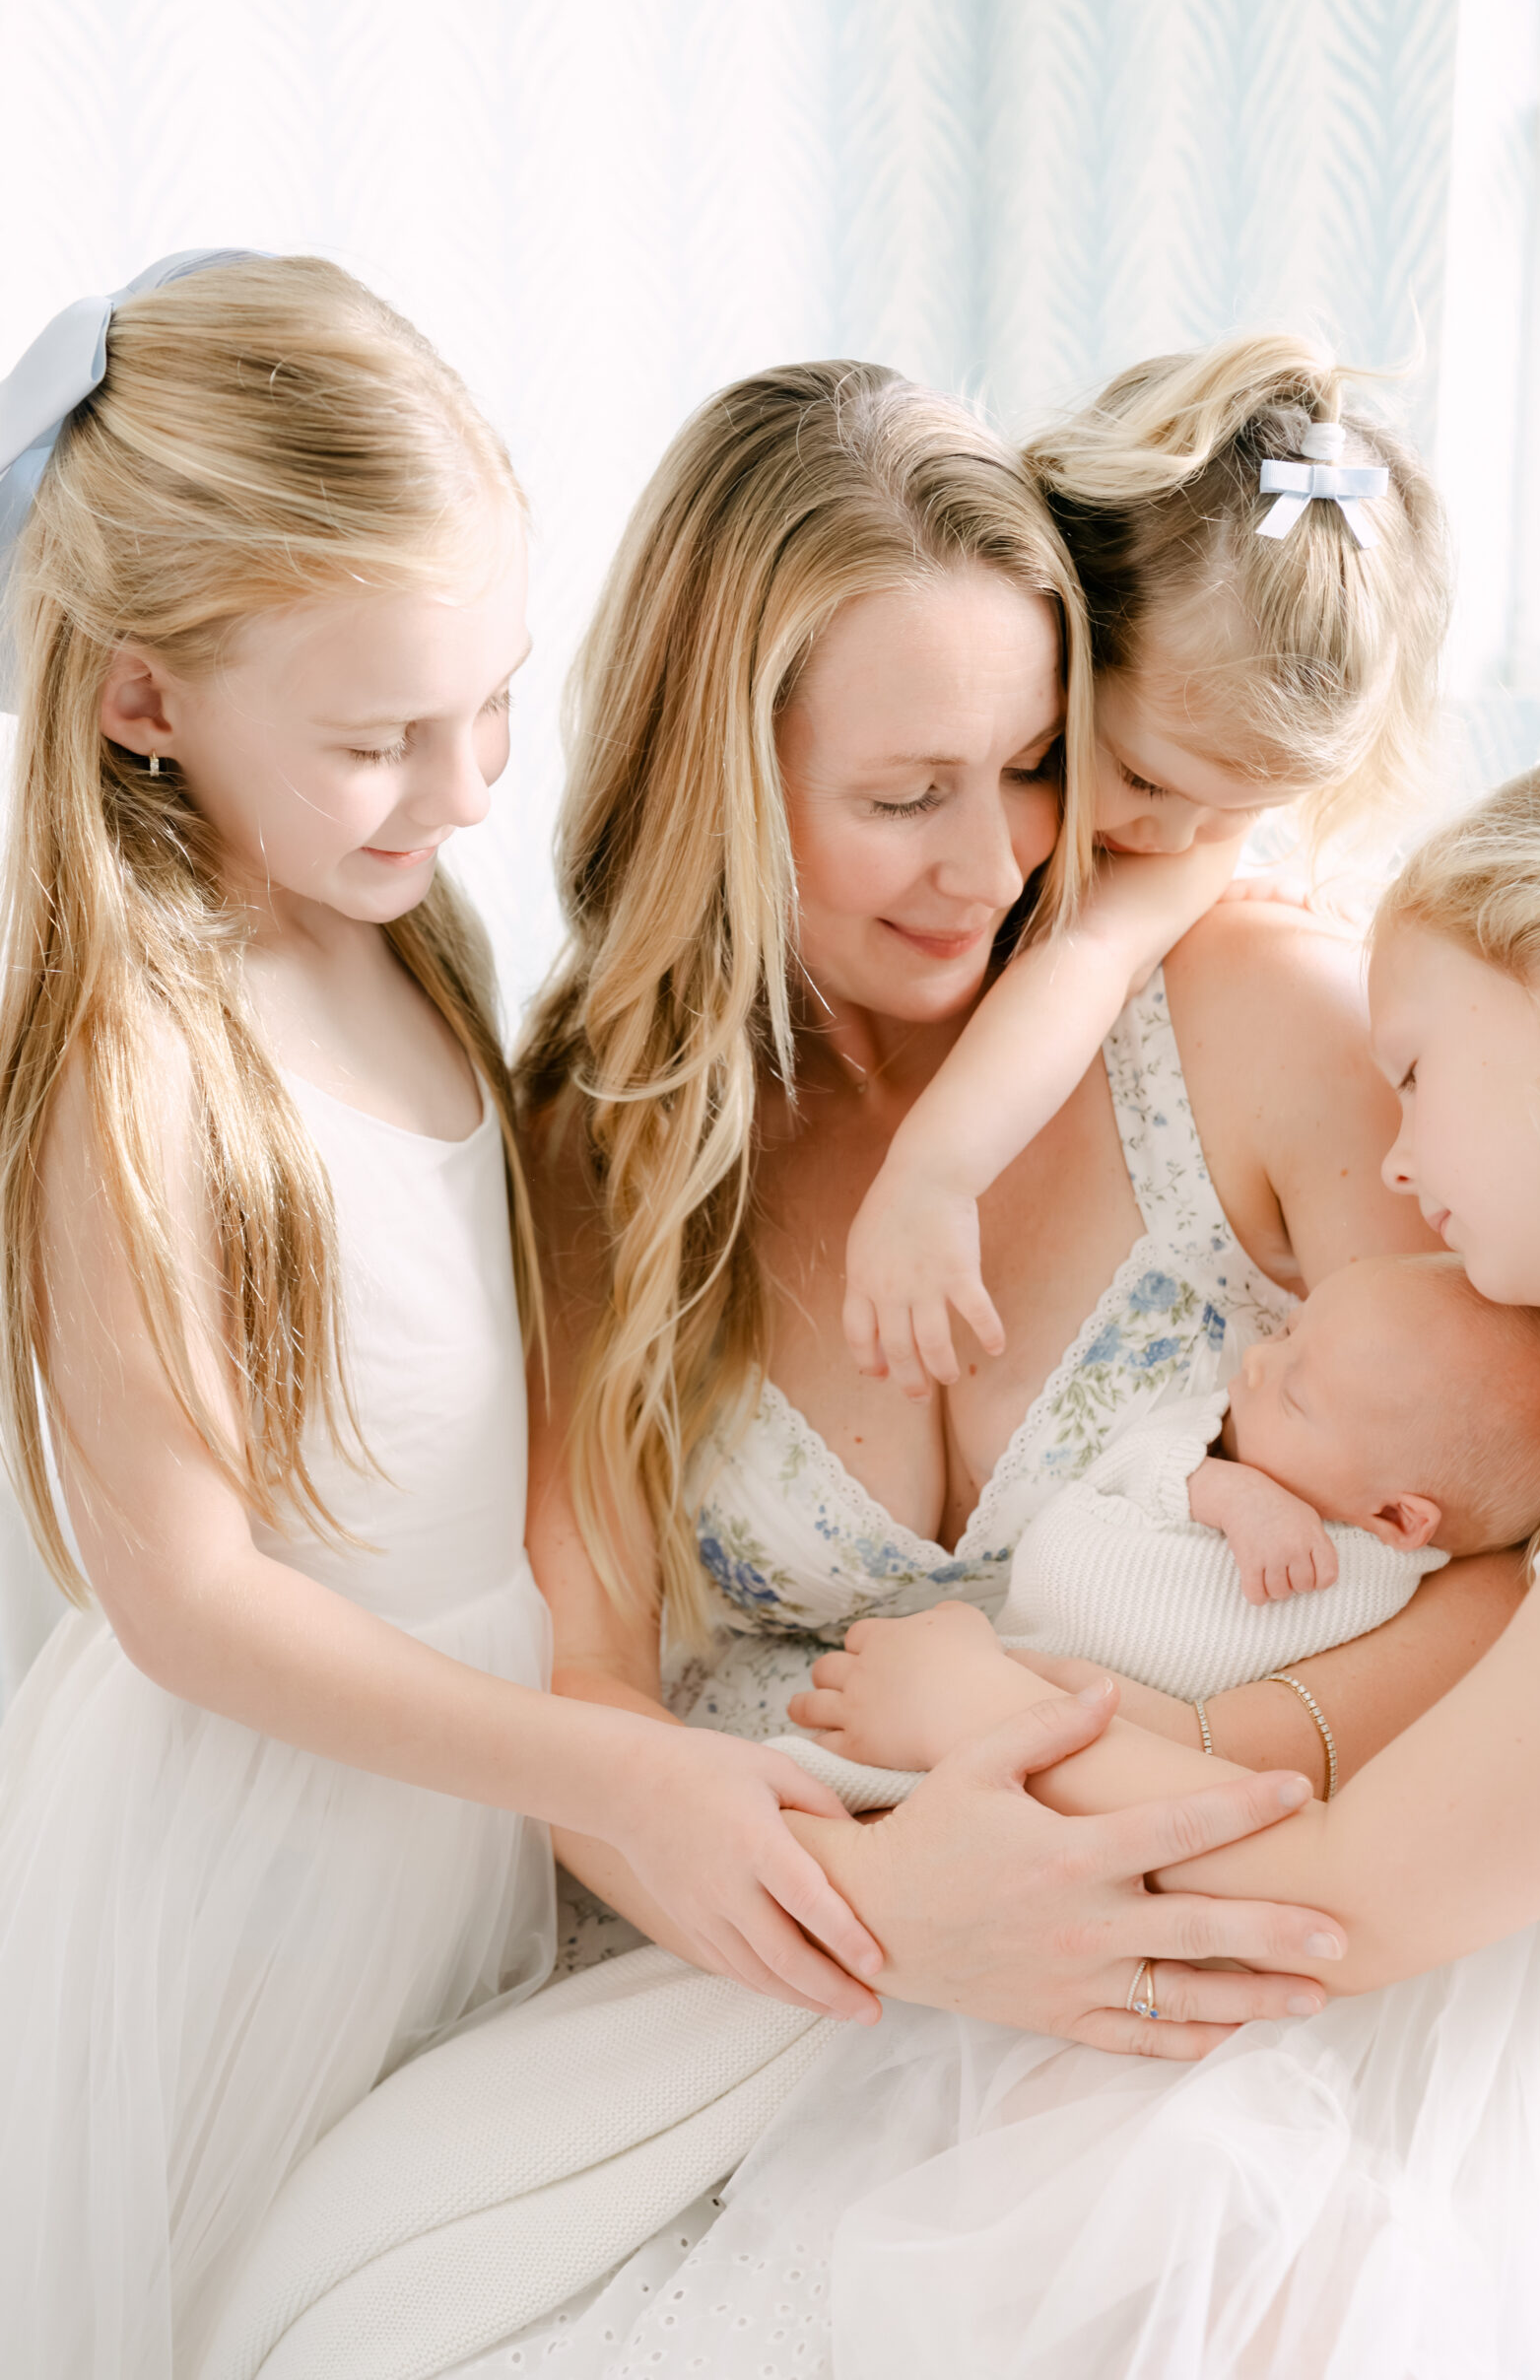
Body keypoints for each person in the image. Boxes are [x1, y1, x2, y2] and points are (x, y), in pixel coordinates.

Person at [0, 256, 881, 2380]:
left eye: (493, 698)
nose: (468, 783)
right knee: (235, 2296)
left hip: (456, 1776)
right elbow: (188, 1598)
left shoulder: (402, 934)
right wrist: (592, 1758)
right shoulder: (134, 1049)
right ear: (141, 698)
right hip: (262, 1840)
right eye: (383, 735)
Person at [593, 726, 1540, 2380]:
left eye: (1411, 1072)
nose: (1389, 1158)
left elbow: (1335, 1904)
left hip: (1516, 2091)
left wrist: (985, 1720)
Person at [841, 357, 1444, 1400]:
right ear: (1067, 632)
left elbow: (1081, 958)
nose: (1180, 840)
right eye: (1143, 780)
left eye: (1240, 808)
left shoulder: (1180, 869)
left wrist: (930, 1176)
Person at [791, 1255, 1540, 1788]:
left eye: (1293, 1394)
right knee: (827, 1779)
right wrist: (1226, 1492)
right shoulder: (1214, 1442)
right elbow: (1126, 1469)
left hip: (1099, 1747)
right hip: (1016, 1654)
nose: (1255, 1361)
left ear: (1396, 1516)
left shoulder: (1395, 1579)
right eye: (1285, 1333)